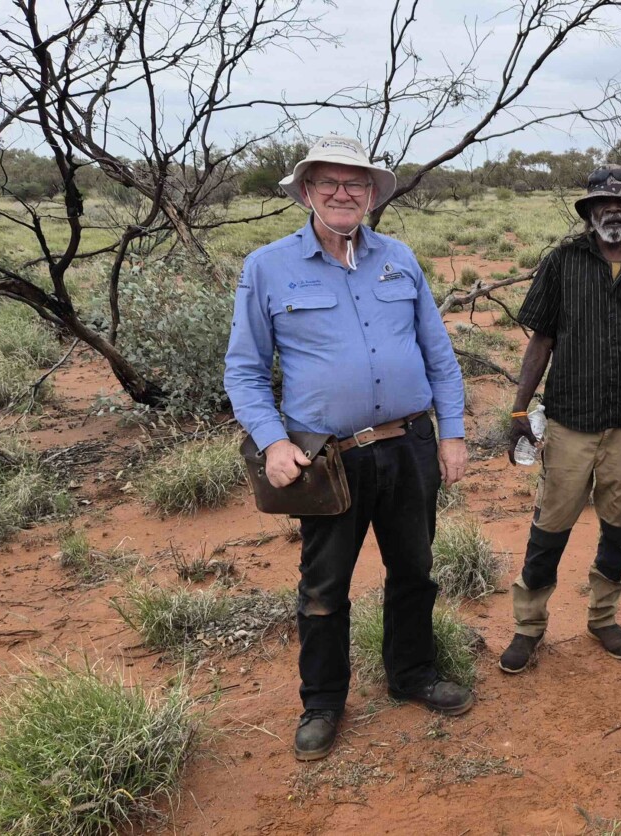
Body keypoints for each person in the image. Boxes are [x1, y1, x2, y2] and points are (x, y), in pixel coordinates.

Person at [224, 135, 472, 762]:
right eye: (327, 183)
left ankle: (412, 674)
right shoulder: (268, 267)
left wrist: (453, 433)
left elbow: (438, 354)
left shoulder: (400, 258)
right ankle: (324, 702)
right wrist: (272, 440)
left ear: (371, 194)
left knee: (414, 570)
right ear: (306, 192)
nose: (342, 193)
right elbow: (246, 371)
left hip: (411, 445)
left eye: (354, 183)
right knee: (324, 586)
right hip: (327, 459)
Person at [499, 164, 621, 674]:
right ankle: (528, 627)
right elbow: (541, 338)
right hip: (570, 420)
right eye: (604, 205)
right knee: (550, 526)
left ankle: (603, 617)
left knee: (618, 526)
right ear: (589, 213)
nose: (614, 212)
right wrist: (520, 408)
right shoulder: (563, 263)